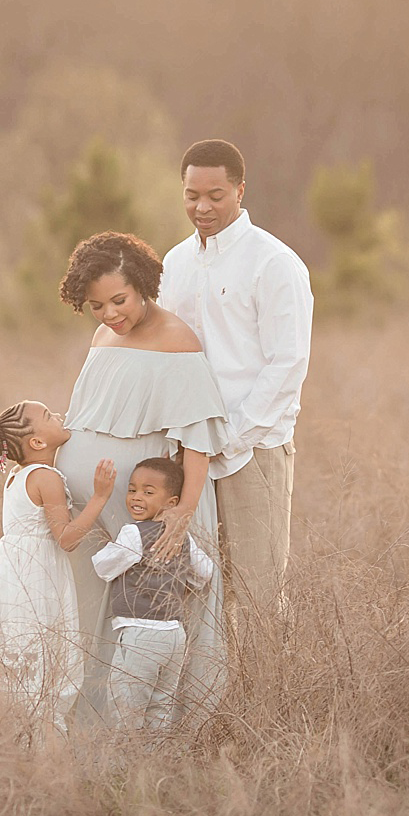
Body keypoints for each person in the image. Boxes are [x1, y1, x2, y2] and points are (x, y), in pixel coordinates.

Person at [52, 232, 230, 730]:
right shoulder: (102, 338)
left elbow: (196, 444)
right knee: (95, 610)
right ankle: (94, 728)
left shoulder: (177, 341)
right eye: (95, 305)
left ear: (144, 286)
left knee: (159, 609)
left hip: (149, 508)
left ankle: (167, 732)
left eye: (119, 300)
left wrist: (183, 511)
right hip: (96, 508)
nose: (109, 314)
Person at [158, 139, 313, 633]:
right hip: (187, 454)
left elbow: (287, 362)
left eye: (216, 195)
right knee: (194, 592)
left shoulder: (274, 262)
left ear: (241, 191)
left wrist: (232, 435)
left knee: (258, 593)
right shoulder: (175, 263)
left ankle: (268, 700)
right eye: (191, 195)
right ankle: (210, 707)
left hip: (254, 450)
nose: (201, 207)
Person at [0, 400, 117, 739]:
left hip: (8, 574)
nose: (61, 416)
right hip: (35, 577)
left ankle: (11, 734)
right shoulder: (46, 478)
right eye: (50, 416)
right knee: (42, 656)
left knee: (17, 653)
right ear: (37, 443)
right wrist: (99, 497)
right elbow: (66, 539)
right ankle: (42, 741)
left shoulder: (18, 475)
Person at [91, 457, 214, 732]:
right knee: (162, 706)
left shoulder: (134, 533)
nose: (136, 498)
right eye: (132, 490)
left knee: (127, 709)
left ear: (171, 502)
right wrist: (181, 575)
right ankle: (156, 762)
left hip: (140, 634)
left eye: (148, 492)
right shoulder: (184, 537)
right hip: (174, 635)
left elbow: (104, 567)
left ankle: (124, 769)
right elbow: (205, 573)